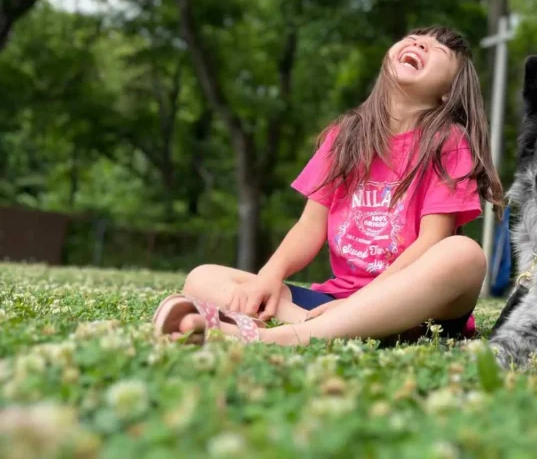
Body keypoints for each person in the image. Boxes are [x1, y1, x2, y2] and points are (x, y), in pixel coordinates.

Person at [151, 26, 502, 346]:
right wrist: (268, 277)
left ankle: (284, 336)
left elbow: (431, 242)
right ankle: (329, 329)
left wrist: (363, 304)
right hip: (335, 303)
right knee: (203, 277)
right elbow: (309, 226)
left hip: (418, 309)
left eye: (438, 49)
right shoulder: (344, 137)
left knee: (464, 254)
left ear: (448, 93)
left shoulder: (449, 140)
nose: (419, 42)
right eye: (413, 38)